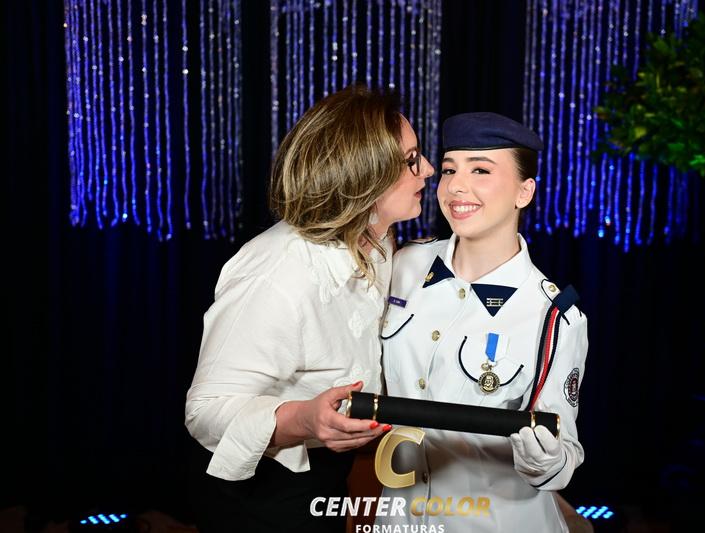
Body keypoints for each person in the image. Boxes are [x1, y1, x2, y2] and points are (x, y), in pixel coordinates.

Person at [184, 85, 434, 533]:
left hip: (330, 475)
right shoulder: (277, 275)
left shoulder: (377, 238)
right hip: (263, 490)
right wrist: (303, 418)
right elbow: (205, 412)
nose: (429, 169)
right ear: (365, 175)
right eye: (412, 159)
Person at [376, 112, 589, 532]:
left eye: (480, 170)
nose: (456, 186)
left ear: (524, 192)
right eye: (449, 169)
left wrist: (544, 458)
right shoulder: (403, 266)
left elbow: (563, 456)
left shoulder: (554, 317)